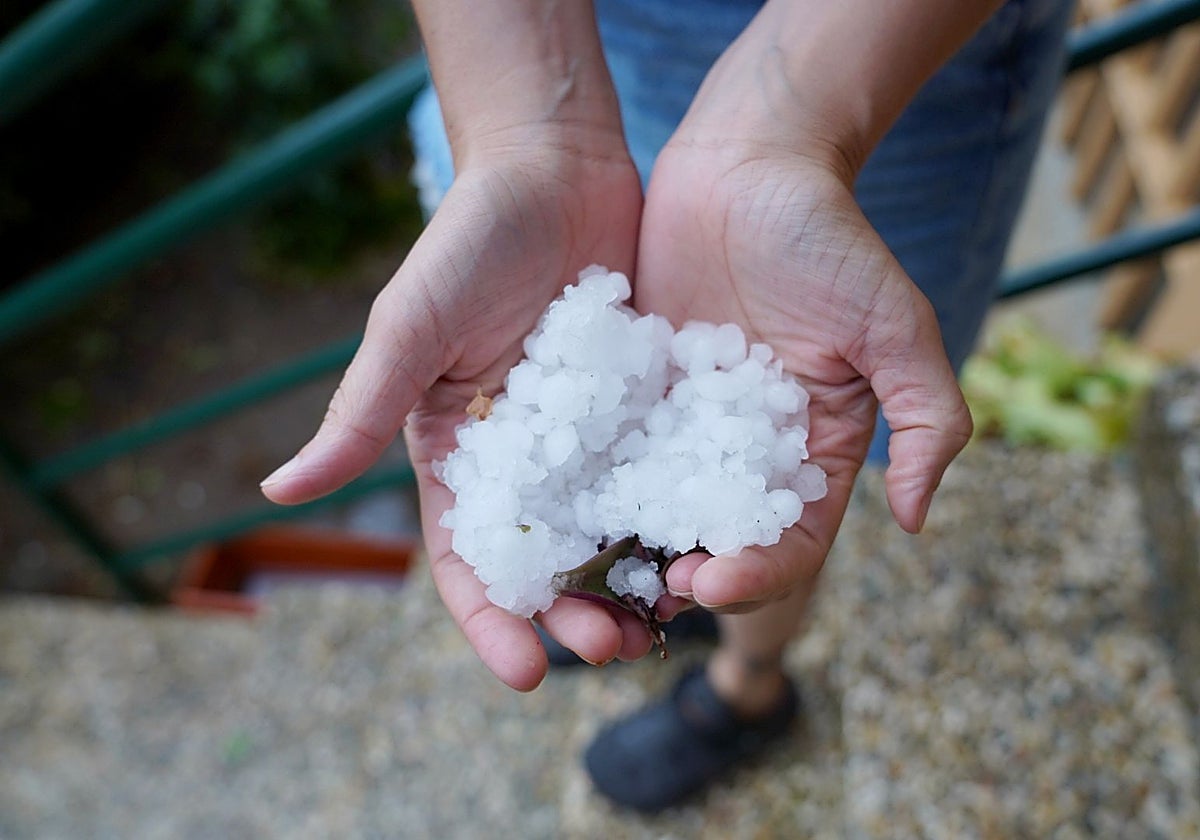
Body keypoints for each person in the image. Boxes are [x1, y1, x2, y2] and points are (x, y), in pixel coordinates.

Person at [261, 0, 1075, 812]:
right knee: (736, 508)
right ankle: (639, 585)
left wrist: (784, 137)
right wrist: (529, 138)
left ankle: (749, 685)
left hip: (889, 51)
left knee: (805, 438)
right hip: (562, 41)